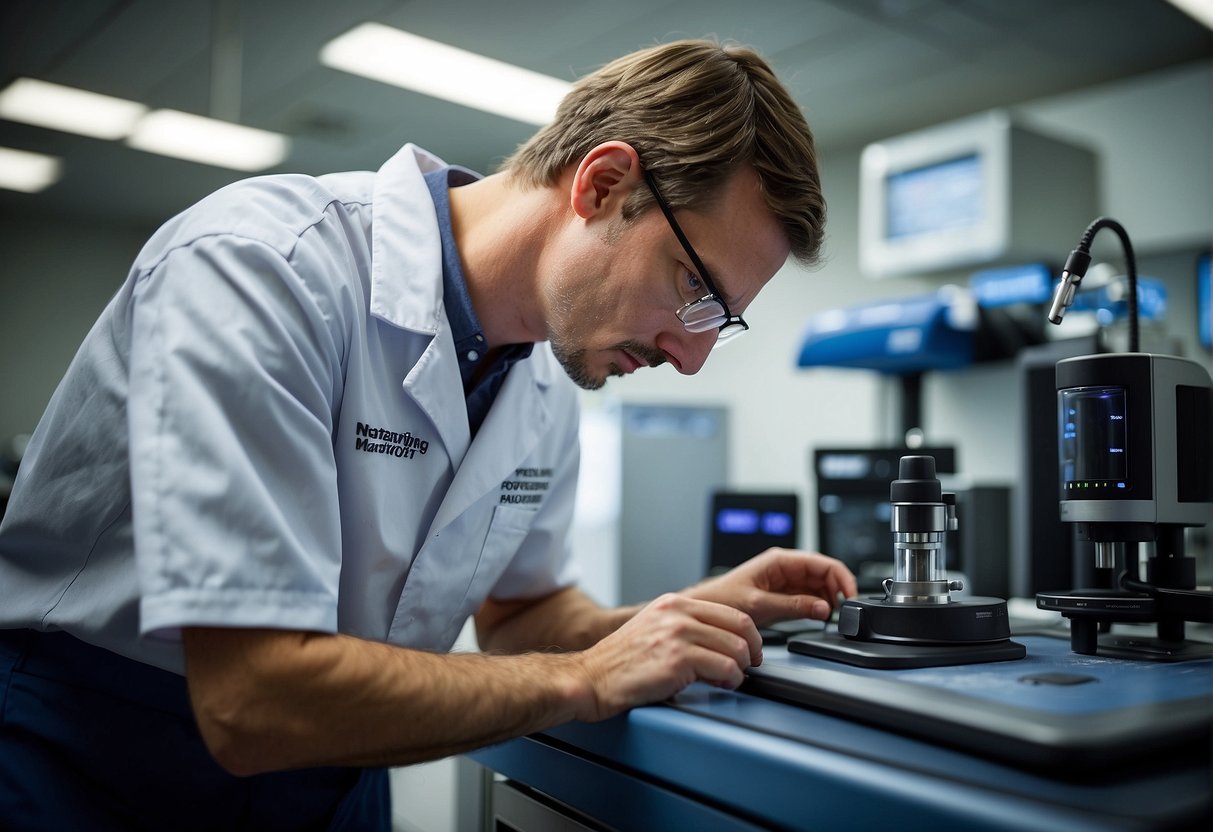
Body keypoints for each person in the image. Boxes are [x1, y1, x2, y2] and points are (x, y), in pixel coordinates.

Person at [0, 38, 853, 829]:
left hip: (338, 771)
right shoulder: (266, 269)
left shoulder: (546, 376)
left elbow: (521, 615)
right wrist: (586, 677)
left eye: (721, 322)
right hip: (96, 757)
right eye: (695, 292)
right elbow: (252, 700)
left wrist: (677, 620)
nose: (691, 357)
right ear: (602, 185)